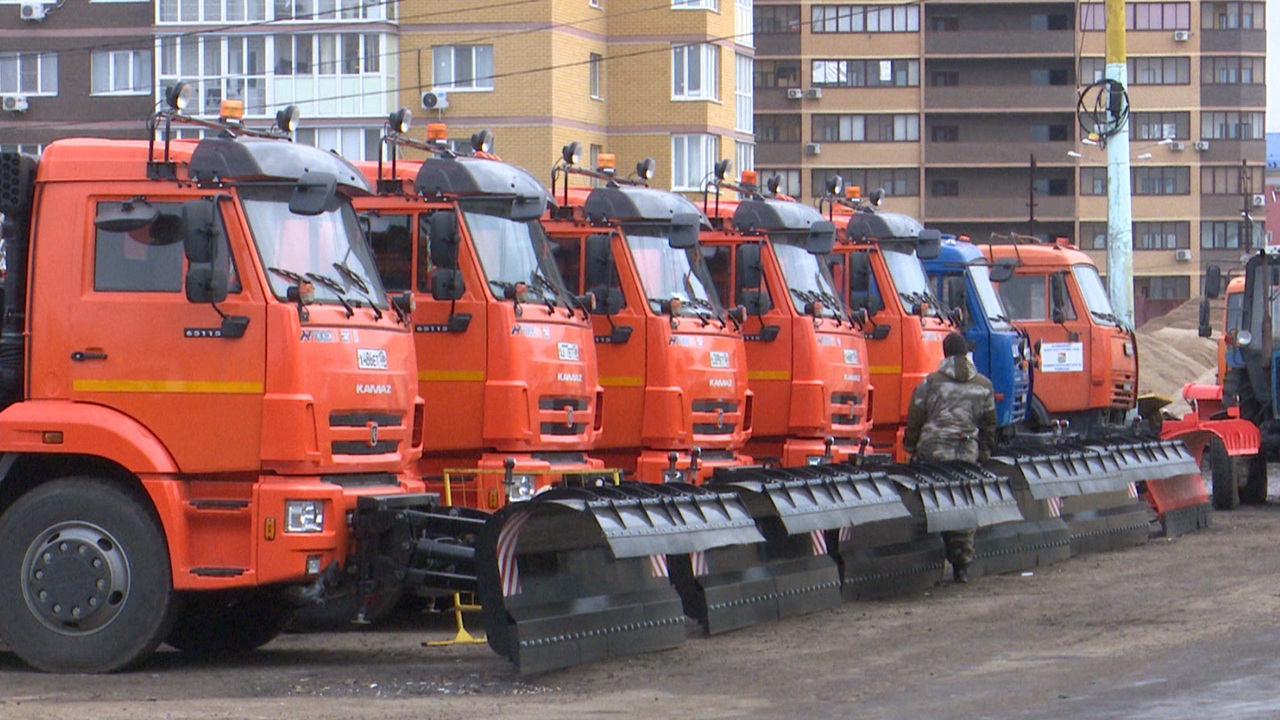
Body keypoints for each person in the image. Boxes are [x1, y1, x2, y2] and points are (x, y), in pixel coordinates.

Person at [902, 331, 998, 584]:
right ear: (966, 352)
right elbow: (989, 424)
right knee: (964, 503)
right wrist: (983, 451)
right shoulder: (984, 385)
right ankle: (962, 564)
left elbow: (916, 415)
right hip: (965, 452)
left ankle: (938, 553)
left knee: (936, 501)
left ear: (944, 353)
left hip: (933, 451)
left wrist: (910, 445)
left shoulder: (930, 382)